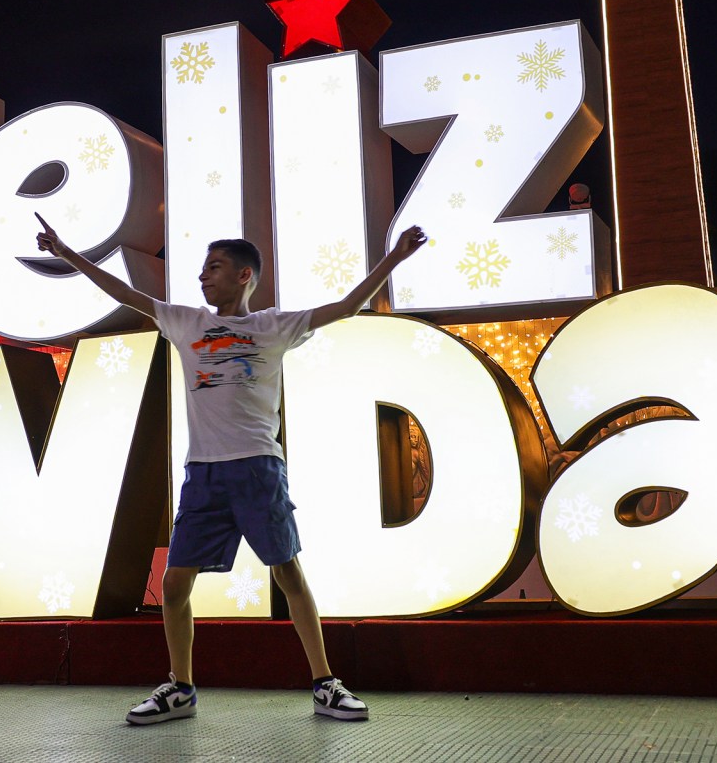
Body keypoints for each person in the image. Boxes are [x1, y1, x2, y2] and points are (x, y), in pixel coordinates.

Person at [34, 213, 427, 725]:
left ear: (244, 275)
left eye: (214, 267)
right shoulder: (185, 322)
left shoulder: (272, 327)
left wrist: (394, 258)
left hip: (259, 469)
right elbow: (126, 294)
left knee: (288, 573)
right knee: (174, 587)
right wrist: (67, 253)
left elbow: (346, 307)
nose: (203, 276)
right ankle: (182, 689)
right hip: (204, 475)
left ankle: (325, 684)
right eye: (202, 269)